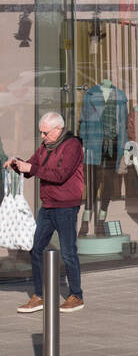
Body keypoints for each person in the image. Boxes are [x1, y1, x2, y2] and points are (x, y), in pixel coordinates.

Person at [9, 111, 85, 313]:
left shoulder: (73, 146)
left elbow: (60, 175)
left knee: (68, 252)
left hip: (66, 206)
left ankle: (76, 295)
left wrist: (30, 168)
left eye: (45, 132)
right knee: (35, 249)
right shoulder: (45, 146)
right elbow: (32, 166)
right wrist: (17, 164)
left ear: (58, 129)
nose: (42, 137)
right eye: (40, 132)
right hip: (48, 205)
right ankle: (39, 296)